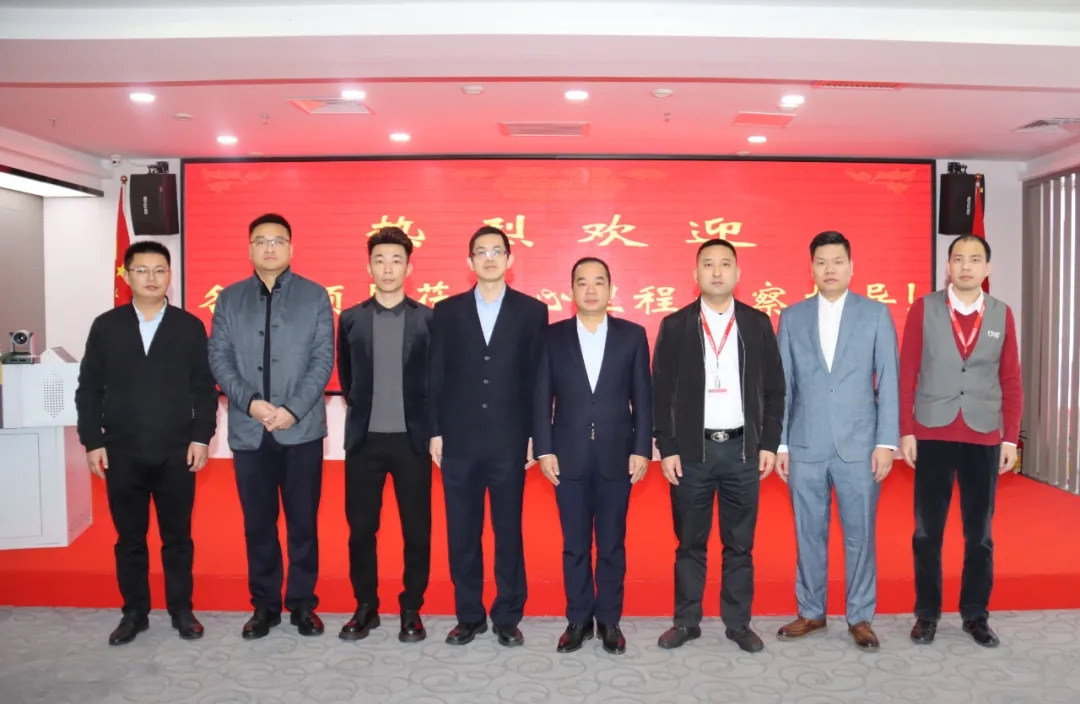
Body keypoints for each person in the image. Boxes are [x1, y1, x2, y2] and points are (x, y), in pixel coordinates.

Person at [75, 240, 217, 646]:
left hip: (177, 450)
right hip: (122, 450)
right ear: (126, 276)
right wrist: (92, 440)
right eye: (142, 270)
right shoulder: (107, 326)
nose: (151, 278)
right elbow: (89, 388)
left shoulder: (189, 326)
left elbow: (204, 389)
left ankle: (181, 609)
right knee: (130, 539)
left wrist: (201, 437)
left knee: (178, 538)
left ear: (170, 276)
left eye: (160, 270)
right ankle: (134, 612)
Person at [651, 239, 785, 653]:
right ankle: (686, 621)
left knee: (740, 545)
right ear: (695, 275)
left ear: (737, 274)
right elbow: (660, 392)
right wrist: (667, 447)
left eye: (725, 264)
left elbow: (774, 389)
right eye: (708, 264)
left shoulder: (756, 324)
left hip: (742, 451)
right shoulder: (675, 326)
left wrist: (769, 443)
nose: (716, 271)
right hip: (693, 453)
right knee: (689, 544)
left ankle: (738, 624)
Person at [207, 213, 335, 640]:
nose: (269, 248)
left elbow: (323, 360)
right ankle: (264, 605)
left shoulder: (315, 296)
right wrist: (251, 403)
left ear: (291, 248)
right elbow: (219, 358)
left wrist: (292, 410)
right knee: (258, 524)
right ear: (249, 249)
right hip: (249, 430)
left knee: (303, 523)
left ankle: (302, 603)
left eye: (277, 241)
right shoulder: (230, 299)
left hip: (301, 430)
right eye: (260, 241)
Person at [774, 231, 900, 650]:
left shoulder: (875, 314)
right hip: (805, 444)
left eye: (837, 261)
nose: (830, 269)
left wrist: (886, 442)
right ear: (811, 268)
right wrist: (781, 444)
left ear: (851, 266)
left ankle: (860, 616)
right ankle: (811, 611)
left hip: (859, 446)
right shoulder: (792, 317)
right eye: (821, 262)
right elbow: (783, 386)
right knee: (808, 532)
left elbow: (889, 380)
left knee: (859, 534)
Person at [428, 225, 549, 647]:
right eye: (481, 252)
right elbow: (436, 375)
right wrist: (435, 431)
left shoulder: (532, 312)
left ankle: (507, 615)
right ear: (470, 261)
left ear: (510, 260)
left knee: (507, 531)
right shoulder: (446, 311)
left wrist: (537, 436)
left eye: (497, 251)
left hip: (509, 440)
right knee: (462, 531)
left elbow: (538, 379)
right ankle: (469, 615)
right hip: (458, 440)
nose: (490, 258)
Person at [901, 234, 1022, 648]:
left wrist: (1010, 438)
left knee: (980, 534)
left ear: (987, 268)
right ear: (947, 266)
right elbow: (907, 371)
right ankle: (927, 614)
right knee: (926, 532)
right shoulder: (924, 309)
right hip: (933, 431)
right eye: (958, 259)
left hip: (983, 434)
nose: (966, 266)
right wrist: (906, 430)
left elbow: (1011, 378)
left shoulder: (1001, 313)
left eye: (974, 259)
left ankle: (975, 614)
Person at [533, 257, 652, 655]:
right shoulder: (552, 337)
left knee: (613, 544)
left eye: (598, 282)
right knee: (575, 544)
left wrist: (642, 449)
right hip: (568, 457)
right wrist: (544, 447)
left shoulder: (632, 336)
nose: (590, 289)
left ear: (610, 290)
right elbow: (541, 397)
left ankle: (610, 621)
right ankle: (578, 620)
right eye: (582, 282)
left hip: (618, 456)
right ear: (571, 291)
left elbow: (643, 397)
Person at [336, 226, 434, 643]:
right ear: (369, 267)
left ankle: (411, 608)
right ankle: (366, 606)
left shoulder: (428, 319)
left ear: (409, 268)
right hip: (365, 441)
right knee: (361, 530)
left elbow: (436, 381)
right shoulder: (351, 318)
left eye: (396, 260)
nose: (388, 268)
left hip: (413, 441)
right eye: (380, 260)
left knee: (417, 530)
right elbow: (347, 377)